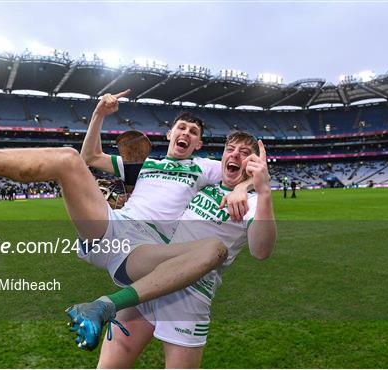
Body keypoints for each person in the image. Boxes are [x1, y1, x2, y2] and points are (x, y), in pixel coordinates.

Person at [0, 78, 250, 350]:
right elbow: (90, 157)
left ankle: (104, 307)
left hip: (145, 252)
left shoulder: (204, 168)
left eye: (194, 132)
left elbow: (245, 168)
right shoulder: (145, 164)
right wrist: (97, 114)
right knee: (67, 159)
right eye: (181, 127)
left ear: (200, 144)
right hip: (113, 226)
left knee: (213, 249)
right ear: (169, 133)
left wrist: (240, 188)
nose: (186, 133)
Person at [95, 131, 276, 368]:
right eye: (230, 149)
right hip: (154, 278)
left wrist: (262, 191)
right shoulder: (203, 184)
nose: (235, 155)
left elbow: (261, 251)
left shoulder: (251, 203)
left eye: (244, 153)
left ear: (253, 163)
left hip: (190, 294)